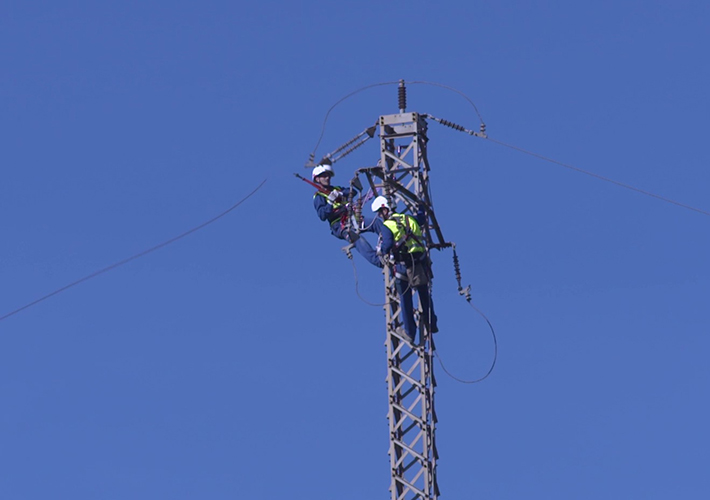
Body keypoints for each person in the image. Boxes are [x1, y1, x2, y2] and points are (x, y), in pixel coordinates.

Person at [370, 195, 438, 344]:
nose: (380, 216)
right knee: (424, 293)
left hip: (404, 266)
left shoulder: (388, 225)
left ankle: (410, 332)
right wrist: (421, 206)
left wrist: (381, 250)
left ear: (385, 210)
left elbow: (387, 245)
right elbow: (421, 219)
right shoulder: (409, 219)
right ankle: (431, 321)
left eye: (380, 213)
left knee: (405, 299)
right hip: (419, 262)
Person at [311, 164, 382, 268]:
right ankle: (378, 261)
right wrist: (330, 202)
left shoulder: (336, 189)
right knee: (357, 239)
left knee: (375, 223)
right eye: (324, 176)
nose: (327, 178)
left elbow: (352, 191)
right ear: (317, 179)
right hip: (340, 225)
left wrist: (340, 194)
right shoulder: (319, 196)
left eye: (328, 176)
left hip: (352, 218)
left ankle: (390, 244)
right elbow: (322, 215)